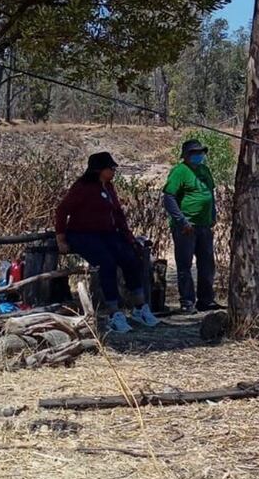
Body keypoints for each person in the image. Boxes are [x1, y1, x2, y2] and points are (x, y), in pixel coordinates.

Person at [54, 152, 159, 333]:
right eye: (110, 168)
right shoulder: (82, 187)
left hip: (107, 233)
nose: (113, 171)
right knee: (106, 263)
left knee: (130, 259)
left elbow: (118, 215)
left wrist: (129, 239)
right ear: (99, 170)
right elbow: (62, 211)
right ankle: (113, 313)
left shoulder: (109, 187)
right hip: (82, 234)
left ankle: (140, 307)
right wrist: (61, 238)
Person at [163, 139, 218, 313]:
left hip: (204, 225)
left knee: (207, 264)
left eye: (200, 153)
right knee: (184, 264)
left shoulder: (204, 170)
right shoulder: (179, 171)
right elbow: (169, 197)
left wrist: (213, 215)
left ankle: (206, 300)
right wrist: (181, 221)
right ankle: (187, 301)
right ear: (186, 155)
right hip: (186, 227)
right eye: (194, 153)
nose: (198, 156)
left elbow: (210, 193)